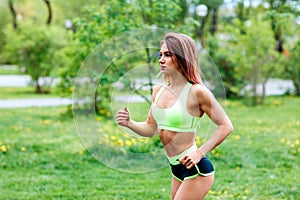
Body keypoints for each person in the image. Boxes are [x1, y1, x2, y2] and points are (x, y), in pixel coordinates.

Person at [116, 32, 233, 200]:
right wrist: (130, 123)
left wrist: (199, 153)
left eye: (168, 55)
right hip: (176, 168)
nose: (161, 59)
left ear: (182, 57)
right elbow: (150, 128)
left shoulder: (196, 91)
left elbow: (226, 126)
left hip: (196, 169)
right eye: (161, 54)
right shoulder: (159, 90)